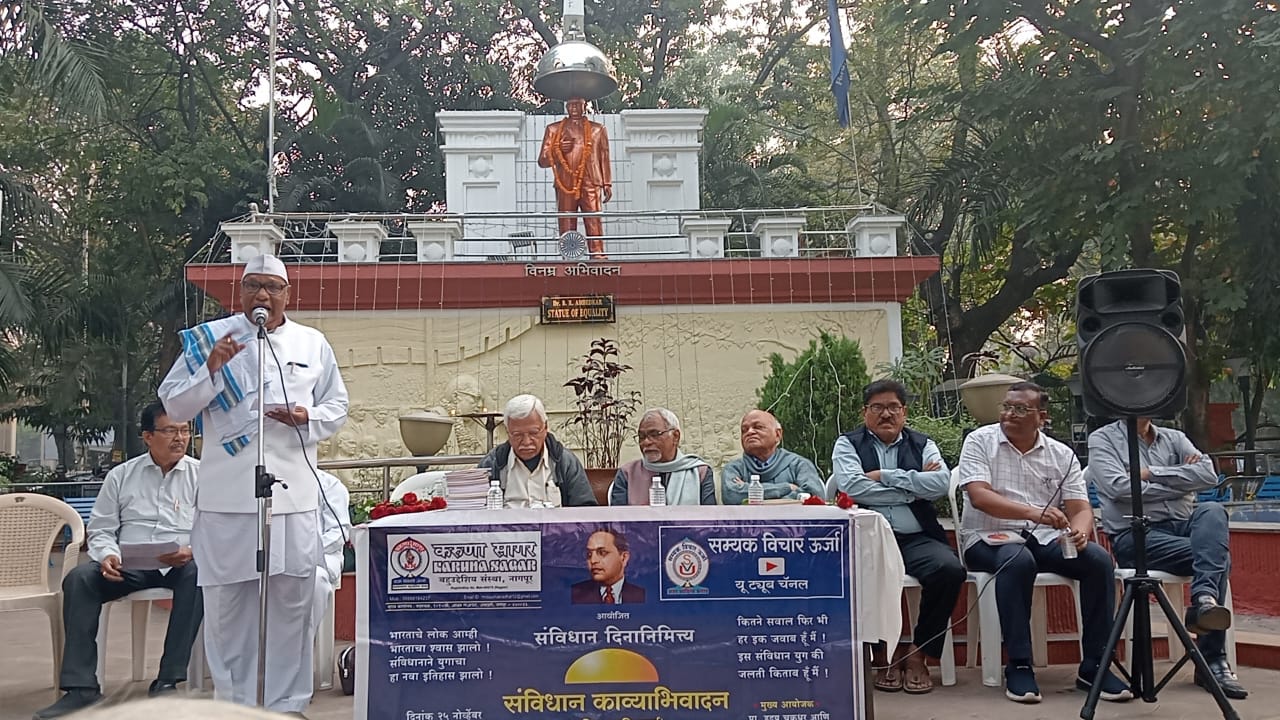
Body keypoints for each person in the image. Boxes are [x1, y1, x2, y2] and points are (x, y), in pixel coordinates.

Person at [158, 254, 349, 713]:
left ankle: (287, 704)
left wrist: (307, 416)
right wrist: (210, 369)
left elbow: (337, 406)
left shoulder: (312, 342)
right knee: (228, 610)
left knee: (293, 606)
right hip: (227, 500)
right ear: (239, 292)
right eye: (252, 285)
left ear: (287, 294)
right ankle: (236, 705)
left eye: (272, 286)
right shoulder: (212, 338)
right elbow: (174, 405)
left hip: (293, 499)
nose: (261, 294)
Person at [957, 381, 1130, 704]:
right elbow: (979, 497)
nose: (1010, 414)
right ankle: (1020, 664)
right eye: (1007, 407)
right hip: (987, 537)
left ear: (1042, 417)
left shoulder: (1061, 454)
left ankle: (1095, 665)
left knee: (1097, 561)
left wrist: (1079, 532)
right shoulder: (980, 441)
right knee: (1017, 560)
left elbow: (1081, 509)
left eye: (1021, 409)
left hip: (1044, 538)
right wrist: (1032, 512)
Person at [34, 403, 203, 719]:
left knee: (199, 575)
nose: (180, 438)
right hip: (130, 565)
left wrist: (192, 551)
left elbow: (216, 530)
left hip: (180, 564)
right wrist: (107, 556)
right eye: (170, 430)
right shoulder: (122, 476)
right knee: (80, 579)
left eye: (184, 430)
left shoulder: (202, 475)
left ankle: (168, 680)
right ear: (148, 436)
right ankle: (81, 689)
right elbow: (101, 528)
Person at [1087, 417, 1246, 699]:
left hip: (1184, 526)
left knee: (1211, 510)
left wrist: (1149, 473)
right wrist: (1181, 480)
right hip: (1135, 534)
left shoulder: (1174, 437)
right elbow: (1119, 488)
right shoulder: (1102, 439)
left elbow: (1208, 475)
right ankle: (1212, 660)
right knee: (1215, 555)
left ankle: (1204, 599)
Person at [831, 379, 964, 694]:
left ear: (904, 412)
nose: (886, 414)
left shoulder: (922, 443)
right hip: (868, 539)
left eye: (893, 407)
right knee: (864, 577)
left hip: (916, 537)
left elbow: (940, 483)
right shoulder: (847, 444)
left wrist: (884, 476)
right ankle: (882, 655)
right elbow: (852, 486)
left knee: (949, 571)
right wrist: (911, 490)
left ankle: (919, 653)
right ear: (865, 412)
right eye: (877, 407)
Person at [477, 394, 596, 507]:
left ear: (545, 428)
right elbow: (474, 512)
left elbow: (586, 510)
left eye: (533, 433)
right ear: (508, 431)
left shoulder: (565, 462)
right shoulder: (492, 464)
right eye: (517, 434)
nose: (526, 442)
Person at [538, 96, 612, 259]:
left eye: (578, 104)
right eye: (570, 104)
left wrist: (607, 183)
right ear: (566, 106)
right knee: (566, 220)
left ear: (584, 106)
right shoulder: (554, 129)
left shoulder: (597, 129)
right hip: (565, 183)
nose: (574, 108)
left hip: (591, 181)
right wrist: (557, 151)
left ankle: (597, 253)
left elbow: (604, 157)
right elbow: (542, 161)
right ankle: (568, 255)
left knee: (593, 218)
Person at [611, 408, 715, 506]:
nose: (646, 442)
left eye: (655, 435)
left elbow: (711, 516)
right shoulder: (627, 473)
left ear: (675, 436)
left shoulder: (700, 472)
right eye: (642, 436)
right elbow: (617, 516)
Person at [721, 409, 824, 505]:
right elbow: (731, 496)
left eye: (758, 427)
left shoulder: (799, 465)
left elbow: (813, 496)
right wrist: (786, 488)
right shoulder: (733, 468)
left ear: (777, 435)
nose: (750, 432)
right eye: (744, 430)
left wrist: (747, 491)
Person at [312, 469, 352, 658]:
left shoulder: (328, 484)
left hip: (324, 555)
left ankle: (298, 648)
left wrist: (309, 552)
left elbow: (339, 533)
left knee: (314, 580)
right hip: (276, 556)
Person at [570, 528, 645, 604]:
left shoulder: (643, 596)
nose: (593, 560)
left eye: (602, 552)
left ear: (624, 558)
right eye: (589, 554)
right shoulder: (573, 595)